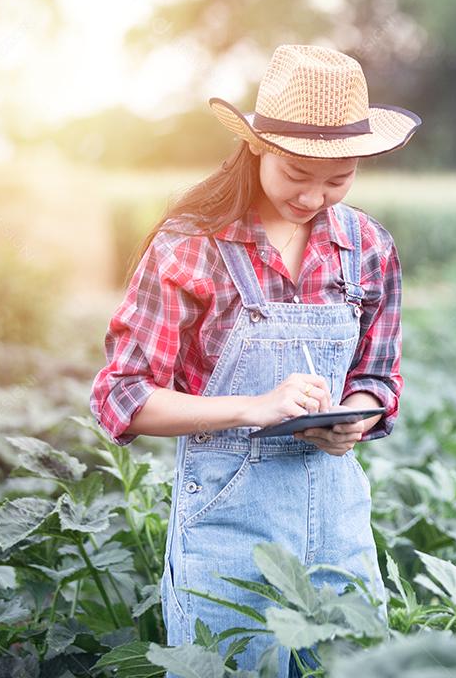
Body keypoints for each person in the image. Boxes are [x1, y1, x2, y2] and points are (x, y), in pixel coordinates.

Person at [88, 44, 421, 676]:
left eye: (338, 178)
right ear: (258, 147)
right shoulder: (192, 245)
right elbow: (122, 396)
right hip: (229, 523)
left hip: (338, 519)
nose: (315, 196)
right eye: (298, 174)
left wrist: (358, 415)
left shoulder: (369, 246)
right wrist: (255, 408)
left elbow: (380, 377)